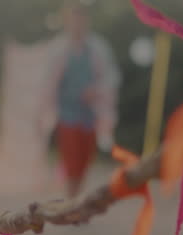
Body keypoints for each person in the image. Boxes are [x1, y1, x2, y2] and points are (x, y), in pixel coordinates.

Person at [43, 2, 121, 198]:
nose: (77, 24)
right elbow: (46, 82)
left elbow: (111, 76)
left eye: (80, 20)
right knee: (70, 160)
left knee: (85, 161)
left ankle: (75, 200)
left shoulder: (98, 47)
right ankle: (72, 203)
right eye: (73, 19)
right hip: (66, 114)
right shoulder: (58, 48)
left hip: (90, 115)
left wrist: (96, 91)